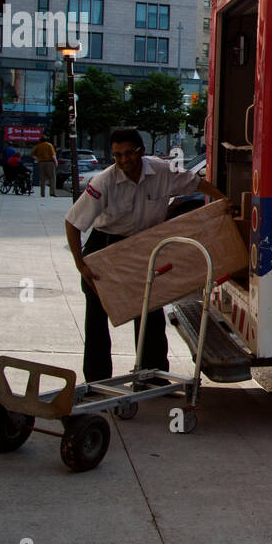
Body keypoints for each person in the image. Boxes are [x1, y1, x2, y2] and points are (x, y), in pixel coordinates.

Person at [64, 128, 226, 383]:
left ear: (142, 151)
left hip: (141, 247)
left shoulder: (161, 171)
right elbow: (73, 222)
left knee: (150, 309)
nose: (124, 160)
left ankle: (152, 374)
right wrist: (79, 264)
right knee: (97, 317)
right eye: (117, 155)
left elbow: (196, 183)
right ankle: (96, 381)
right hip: (106, 248)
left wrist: (224, 202)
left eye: (129, 153)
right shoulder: (104, 182)